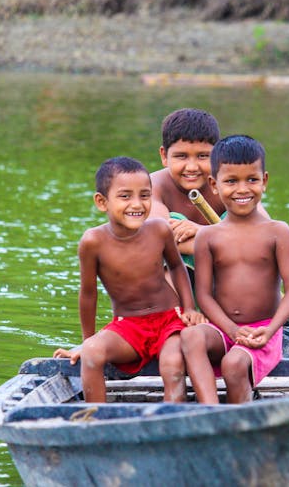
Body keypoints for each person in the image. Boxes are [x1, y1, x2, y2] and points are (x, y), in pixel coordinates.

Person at [53, 156, 207, 403]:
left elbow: (178, 267)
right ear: (102, 202)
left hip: (169, 321)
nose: (137, 204)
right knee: (92, 353)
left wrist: (189, 308)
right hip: (128, 327)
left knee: (172, 364)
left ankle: (170, 421)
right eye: (125, 196)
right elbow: (88, 294)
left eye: (144, 195)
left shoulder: (159, 230)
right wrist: (87, 340)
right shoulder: (93, 242)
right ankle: (95, 420)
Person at [181, 135, 289, 404]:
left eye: (251, 179)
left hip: (263, 330)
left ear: (264, 181)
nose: (242, 189)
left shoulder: (277, 232)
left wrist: (269, 330)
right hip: (223, 328)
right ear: (214, 184)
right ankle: (210, 411)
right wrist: (232, 330)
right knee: (190, 337)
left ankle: (239, 419)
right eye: (231, 181)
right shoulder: (208, 237)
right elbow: (204, 296)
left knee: (234, 365)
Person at [149, 108, 224, 272]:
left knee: (237, 217)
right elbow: (160, 237)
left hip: (222, 281)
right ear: (164, 155)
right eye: (181, 156)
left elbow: (263, 231)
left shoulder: (230, 186)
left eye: (203, 156)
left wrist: (202, 231)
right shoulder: (151, 186)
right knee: (170, 225)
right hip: (171, 283)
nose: (191, 167)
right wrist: (228, 241)